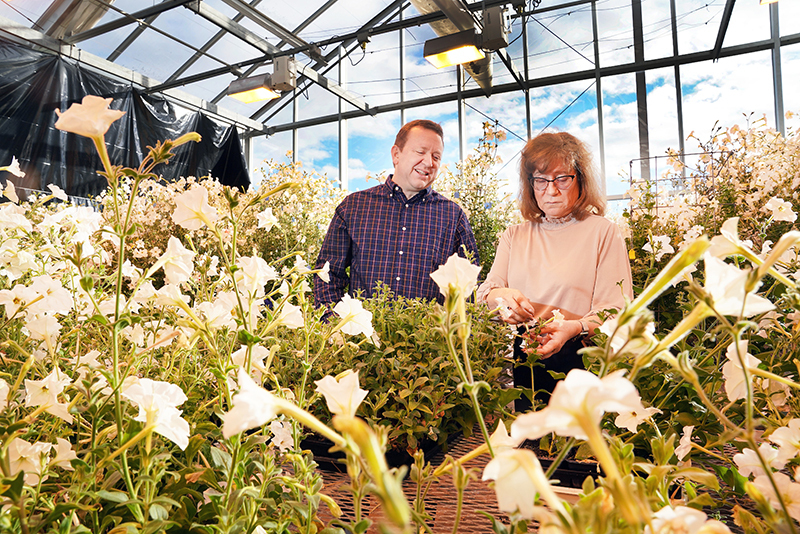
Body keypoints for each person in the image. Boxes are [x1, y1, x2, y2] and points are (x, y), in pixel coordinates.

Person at [476, 132, 632, 412]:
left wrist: (574, 327)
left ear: (580, 180)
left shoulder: (603, 232)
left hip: (580, 359)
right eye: (540, 179)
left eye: (562, 178)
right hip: (527, 357)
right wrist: (501, 298)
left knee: (577, 448)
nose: (551, 190)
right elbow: (486, 293)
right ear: (530, 184)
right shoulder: (515, 235)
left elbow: (616, 309)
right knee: (532, 443)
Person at [314, 119, 479, 309]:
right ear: (396, 155)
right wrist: (332, 326)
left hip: (429, 336)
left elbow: (469, 286)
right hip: (363, 337)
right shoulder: (354, 207)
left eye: (436, 156)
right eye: (420, 152)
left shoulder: (452, 215)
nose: (428, 162)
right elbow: (327, 274)